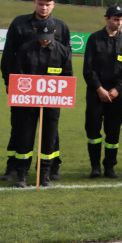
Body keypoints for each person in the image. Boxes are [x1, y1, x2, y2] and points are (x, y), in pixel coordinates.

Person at [0, 0, 70, 180]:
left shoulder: (61, 27)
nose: (44, 7)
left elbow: (66, 61)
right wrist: (9, 81)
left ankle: (51, 167)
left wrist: (64, 90)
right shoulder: (19, 23)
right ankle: (13, 167)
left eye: (48, 4)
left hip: (51, 93)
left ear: (53, 5)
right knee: (19, 126)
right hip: (22, 87)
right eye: (40, 3)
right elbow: (8, 55)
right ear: (35, 3)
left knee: (51, 131)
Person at [12, 19, 73, 187]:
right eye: (41, 36)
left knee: (49, 138)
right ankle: (21, 175)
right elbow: (18, 75)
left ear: (54, 33)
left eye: (47, 36)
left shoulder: (62, 51)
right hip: (28, 104)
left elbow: (67, 77)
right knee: (24, 138)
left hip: (52, 104)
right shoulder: (25, 50)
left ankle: (44, 174)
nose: (44, 40)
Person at [82, 5, 122, 178]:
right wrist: (99, 89)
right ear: (106, 19)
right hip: (96, 93)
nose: (118, 22)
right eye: (115, 19)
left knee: (113, 131)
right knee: (93, 131)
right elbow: (88, 69)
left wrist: (117, 89)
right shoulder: (94, 39)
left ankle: (110, 167)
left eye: (121, 20)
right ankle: (95, 166)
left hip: (116, 95)